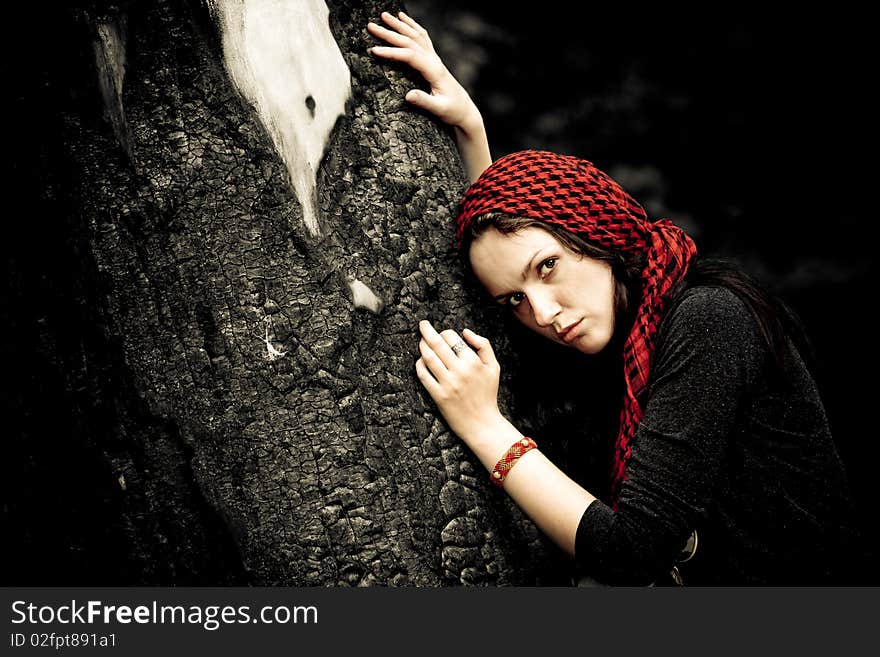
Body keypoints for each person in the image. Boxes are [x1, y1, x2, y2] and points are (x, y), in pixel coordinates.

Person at [367, 11, 861, 585]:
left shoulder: (709, 320)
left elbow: (634, 550)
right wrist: (470, 135)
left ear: (597, 235)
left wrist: (483, 427)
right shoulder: (610, 352)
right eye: (515, 302)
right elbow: (513, 258)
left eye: (549, 268)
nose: (543, 314)